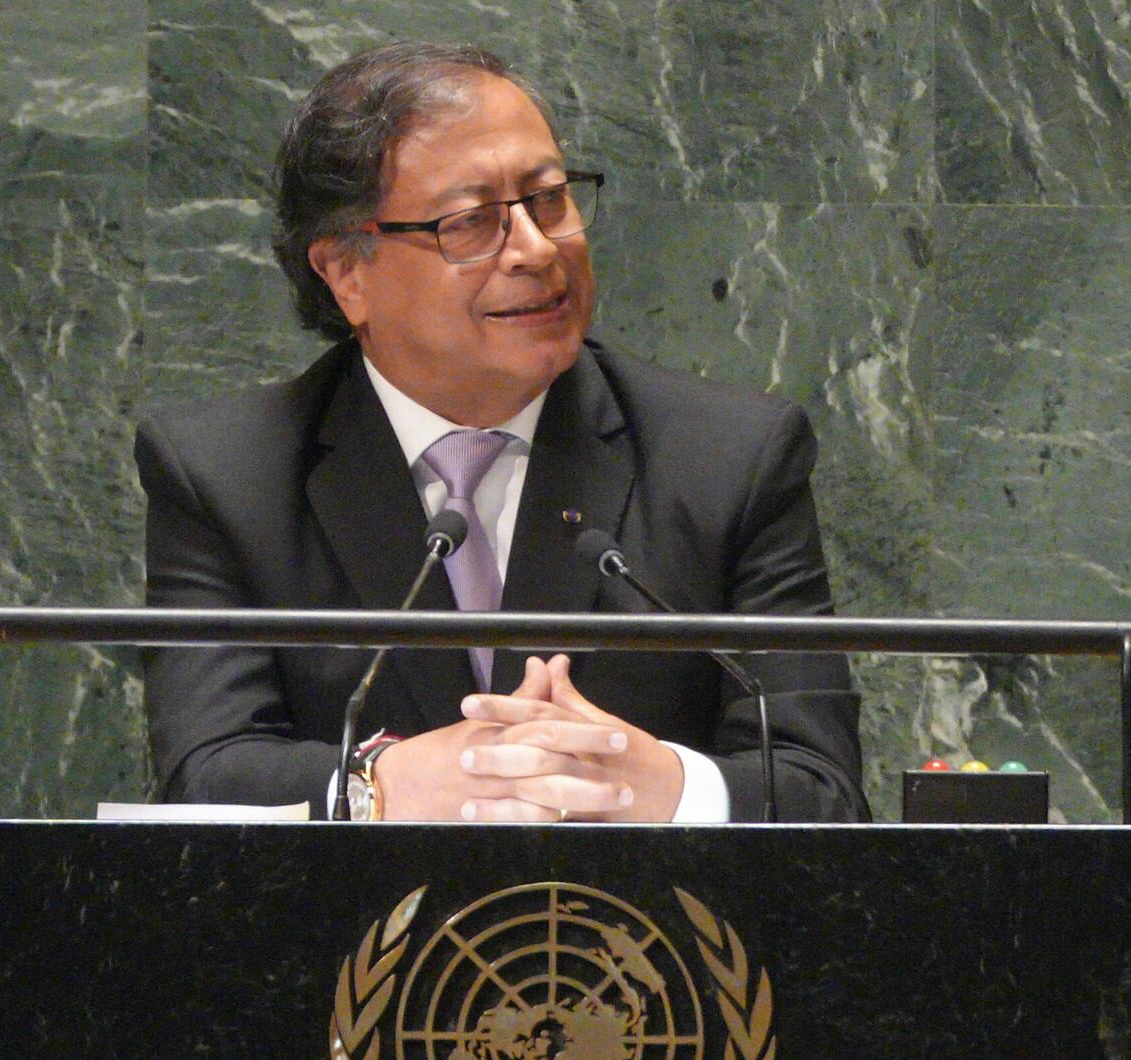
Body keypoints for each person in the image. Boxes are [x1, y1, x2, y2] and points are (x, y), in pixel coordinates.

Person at [137, 41, 866, 823]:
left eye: (549, 200)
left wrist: (668, 786)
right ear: (348, 273)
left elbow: (823, 790)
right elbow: (204, 776)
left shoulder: (730, 459)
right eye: (472, 221)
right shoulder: (228, 477)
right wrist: (378, 784)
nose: (535, 249)